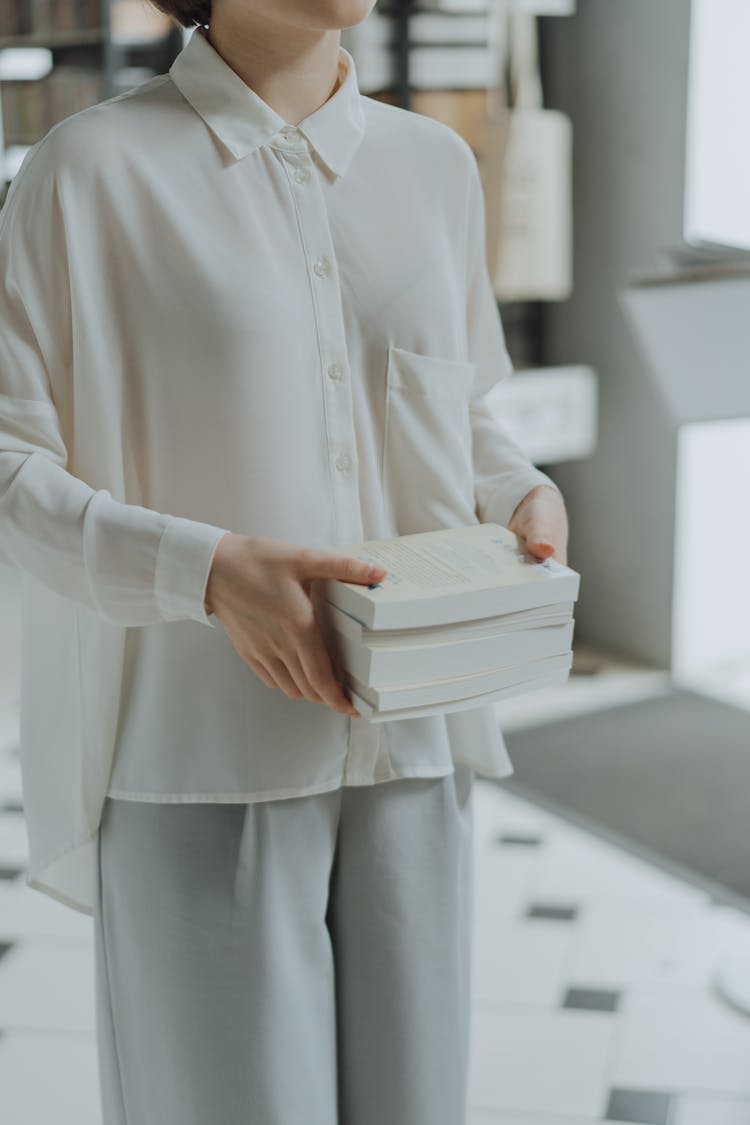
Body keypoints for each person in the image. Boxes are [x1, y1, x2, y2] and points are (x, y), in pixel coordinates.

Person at [0, 1, 569, 1121]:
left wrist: (519, 488)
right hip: (201, 752)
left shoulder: (435, 165)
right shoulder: (89, 172)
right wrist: (204, 572)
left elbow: (455, 410)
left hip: (413, 736)